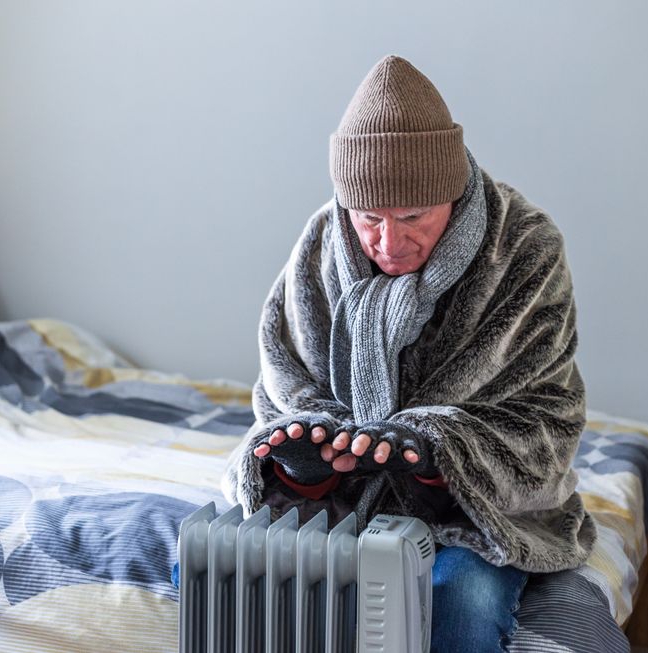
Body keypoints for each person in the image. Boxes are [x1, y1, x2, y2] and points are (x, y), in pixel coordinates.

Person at [221, 54, 596, 652]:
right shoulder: (320, 240)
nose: (389, 243)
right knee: (223, 576)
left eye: (413, 216)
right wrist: (308, 462)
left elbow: (544, 415)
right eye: (369, 217)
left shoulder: (525, 246)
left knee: (460, 599)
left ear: (450, 191)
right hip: (347, 500)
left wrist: (432, 453)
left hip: (479, 512)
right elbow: (284, 384)